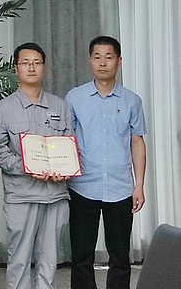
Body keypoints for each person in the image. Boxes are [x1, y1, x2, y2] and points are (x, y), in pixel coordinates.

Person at [65, 36, 147, 289]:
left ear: (119, 61)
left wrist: (139, 185)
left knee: (120, 256)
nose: (103, 63)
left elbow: (137, 142)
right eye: (97, 57)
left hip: (120, 187)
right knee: (81, 256)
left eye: (108, 57)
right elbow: (66, 140)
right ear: (90, 60)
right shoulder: (74, 98)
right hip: (82, 186)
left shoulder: (132, 101)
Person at [0, 43, 73, 289]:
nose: (31, 67)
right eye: (25, 63)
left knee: (50, 260)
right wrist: (27, 167)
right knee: (19, 258)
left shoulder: (59, 106)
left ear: (44, 67)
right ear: (16, 69)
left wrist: (64, 168)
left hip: (55, 194)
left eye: (36, 63)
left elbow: (70, 145)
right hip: (22, 195)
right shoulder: (5, 108)